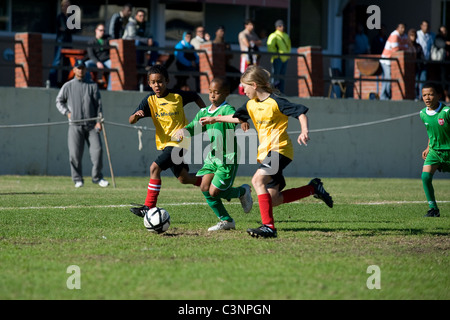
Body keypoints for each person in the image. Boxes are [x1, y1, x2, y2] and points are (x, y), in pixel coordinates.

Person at [200, 66, 333, 238]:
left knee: (257, 180)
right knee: (273, 199)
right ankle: (312, 188)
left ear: (254, 85)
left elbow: (300, 112)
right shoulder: (250, 104)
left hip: (280, 150)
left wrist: (304, 131)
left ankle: (268, 227)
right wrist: (214, 118)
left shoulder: (275, 102)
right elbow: (238, 118)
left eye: (244, 87)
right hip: (265, 154)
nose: (243, 91)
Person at [174, 78, 253, 231]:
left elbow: (238, 116)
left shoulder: (227, 109)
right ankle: (226, 220)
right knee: (204, 187)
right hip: (213, 156)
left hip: (227, 157)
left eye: (216, 93)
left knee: (215, 191)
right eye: (210, 92)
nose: (212, 96)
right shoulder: (203, 112)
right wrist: (183, 131)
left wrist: (242, 120)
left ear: (226, 94)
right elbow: (194, 127)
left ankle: (243, 191)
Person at [128, 64, 206, 217]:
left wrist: (205, 113)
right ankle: (215, 183)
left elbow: (195, 96)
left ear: (167, 81)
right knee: (185, 178)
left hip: (181, 141)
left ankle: (148, 207)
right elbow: (131, 120)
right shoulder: (149, 101)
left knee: (154, 168)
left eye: (160, 81)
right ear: (149, 83)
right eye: (154, 82)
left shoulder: (177, 96)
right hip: (165, 144)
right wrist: (136, 116)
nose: (157, 85)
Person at [56, 60, 109, 188]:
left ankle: (97, 177)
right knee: (75, 154)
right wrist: (67, 113)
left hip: (91, 125)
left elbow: (99, 106)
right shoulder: (68, 86)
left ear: (85, 70)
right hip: (75, 125)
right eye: (78, 68)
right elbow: (59, 101)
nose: (80, 70)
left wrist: (99, 121)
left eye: (82, 68)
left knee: (98, 151)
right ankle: (77, 179)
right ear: (74, 70)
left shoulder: (93, 86)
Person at [419, 82, 450, 217]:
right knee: (425, 177)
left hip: (448, 151)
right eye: (424, 95)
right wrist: (428, 147)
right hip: (435, 151)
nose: (427, 98)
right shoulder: (422, 114)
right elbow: (431, 133)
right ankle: (433, 209)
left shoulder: (447, 112)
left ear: (438, 95)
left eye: (431, 94)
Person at [48, 0, 76, 87]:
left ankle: (64, 83)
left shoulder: (71, 17)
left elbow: (75, 29)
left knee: (67, 63)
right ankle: (52, 82)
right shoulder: (60, 17)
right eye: (65, 6)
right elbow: (64, 28)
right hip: (61, 41)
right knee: (57, 61)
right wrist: (68, 28)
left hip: (68, 41)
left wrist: (68, 29)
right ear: (62, 7)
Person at [380, 23, 409, 100]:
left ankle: (384, 95)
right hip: (386, 60)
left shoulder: (404, 36)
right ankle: (384, 96)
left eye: (404, 28)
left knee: (387, 78)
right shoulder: (394, 35)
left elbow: (407, 48)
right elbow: (395, 49)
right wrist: (402, 48)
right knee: (388, 78)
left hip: (392, 62)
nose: (403, 29)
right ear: (397, 28)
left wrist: (402, 48)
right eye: (401, 28)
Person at [213, 25, 240, 93]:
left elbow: (231, 56)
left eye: (223, 31)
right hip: (217, 67)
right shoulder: (213, 43)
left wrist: (227, 50)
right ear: (216, 32)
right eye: (221, 31)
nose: (222, 33)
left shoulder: (226, 44)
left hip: (226, 66)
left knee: (238, 75)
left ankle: (229, 91)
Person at [267, 19, 291, 93]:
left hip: (285, 58)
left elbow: (288, 46)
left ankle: (281, 92)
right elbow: (270, 46)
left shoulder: (286, 35)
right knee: (275, 76)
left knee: (282, 77)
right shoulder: (274, 35)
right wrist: (276, 55)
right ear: (276, 27)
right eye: (280, 26)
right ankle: (273, 92)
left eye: (283, 25)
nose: (282, 27)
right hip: (277, 58)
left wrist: (287, 55)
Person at [238, 19, 261, 95]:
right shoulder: (242, 34)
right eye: (250, 25)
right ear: (246, 25)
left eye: (253, 25)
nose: (252, 27)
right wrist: (253, 43)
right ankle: (242, 92)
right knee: (244, 74)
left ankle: (251, 91)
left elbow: (260, 42)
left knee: (253, 74)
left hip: (254, 59)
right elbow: (247, 44)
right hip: (246, 58)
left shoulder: (253, 34)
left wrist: (253, 42)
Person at [85, 23, 112, 90]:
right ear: (96, 30)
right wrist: (97, 62)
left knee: (114, 66)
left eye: (103, 31)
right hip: (96, 61)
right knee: (86, 64)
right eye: (100, 30)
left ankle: (110, 88)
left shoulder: (107, 40)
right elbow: (91, 54)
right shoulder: (91, 42)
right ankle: (89, 86)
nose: (102, 32)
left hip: (106, 60)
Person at [416, 20, 436, 97]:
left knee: (423, 78)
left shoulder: (431, 36)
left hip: (426, 61)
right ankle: (416, 95)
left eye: (427, 26)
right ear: (421, 26)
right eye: (424, 26)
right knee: (416, 78)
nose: (426, 27)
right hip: (417, 61)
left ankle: (421, 96)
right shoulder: (417, 34)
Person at [407, 28, 426, 100]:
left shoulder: (418, 46)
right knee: (414, 83)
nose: (413, 37)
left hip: (419, 67)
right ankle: (415, 96)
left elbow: (422, 56)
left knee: (421, 82)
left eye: (414, 36)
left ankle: (421, 97)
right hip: (411, 68)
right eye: (411, 35)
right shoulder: (407, 46)